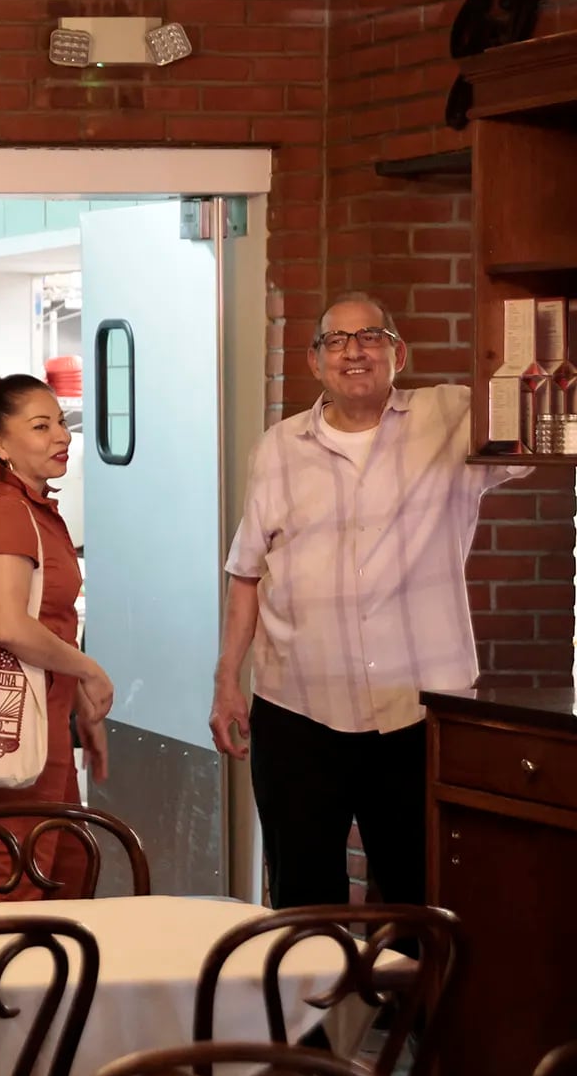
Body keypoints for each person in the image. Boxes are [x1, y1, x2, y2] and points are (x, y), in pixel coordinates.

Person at [210, 293, 525, 907]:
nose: (354, 351)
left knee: (423, 895)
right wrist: (227, 682)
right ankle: (311, 1007)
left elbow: (540, 428)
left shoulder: (452, 418)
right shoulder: (277, 448)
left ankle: (412, 1007)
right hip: (296, 711)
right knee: (304, 900)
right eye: (336, 340)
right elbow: (246, 572)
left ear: (398, 353)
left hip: (417, 713)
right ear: (315, 361)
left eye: (371, 337)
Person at [0, 374, 114, 899]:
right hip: (25, 712)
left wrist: (78, 702)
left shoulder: (30, 507)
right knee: (18, 868)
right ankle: (6, 976)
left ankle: (59, 974)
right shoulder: (11, 512)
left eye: (60, 422)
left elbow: (48, 621)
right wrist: (89, 669)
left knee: (65, 862)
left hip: (47, 711)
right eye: (41, 426)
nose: (62, 435)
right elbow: (11, 625)